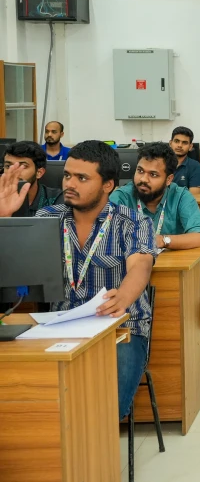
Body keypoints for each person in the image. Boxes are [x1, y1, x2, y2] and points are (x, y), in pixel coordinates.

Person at [0, 141, 158, 422]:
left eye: (82, 178)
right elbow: (10, 268)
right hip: (60, 327)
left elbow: (141, 265)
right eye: (67, 175)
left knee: (106, 410)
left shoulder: (133, 222)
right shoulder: (47, 219)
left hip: (120, 329)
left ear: (108, 185)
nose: (70, 184)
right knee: (32, 404)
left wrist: (123, 296)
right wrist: (4, 218)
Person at [110, 142, 200, 334]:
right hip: (126, 273)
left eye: (153, 175)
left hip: (172, 271)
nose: (143, 179)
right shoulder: (122, 197)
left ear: (168, 179)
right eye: (140, 171)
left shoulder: (180, 196)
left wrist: (163, 240)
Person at [3, 141, 63, 216]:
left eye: (23, 166)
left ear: (39, 173)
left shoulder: (55, 199)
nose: (14, 172)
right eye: (8, 166)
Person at [169, 127, 200, 195]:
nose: (180, 145)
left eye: (184, 143)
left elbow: (194, 196)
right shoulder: (160, 164)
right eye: (176, 141)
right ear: (170, 143)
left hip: (184, 202)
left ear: (190, 146)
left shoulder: (195, 167)